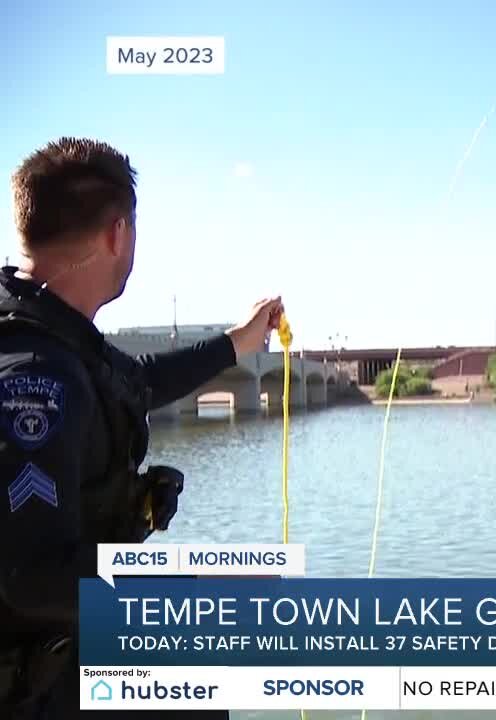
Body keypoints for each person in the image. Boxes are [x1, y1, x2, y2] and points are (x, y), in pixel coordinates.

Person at [0, 137, 284, 719]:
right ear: (118, 235)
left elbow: (136, 382)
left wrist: (240, 340)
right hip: (39, 685)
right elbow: (26, 578)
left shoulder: (45, 332)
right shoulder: (35, 375)